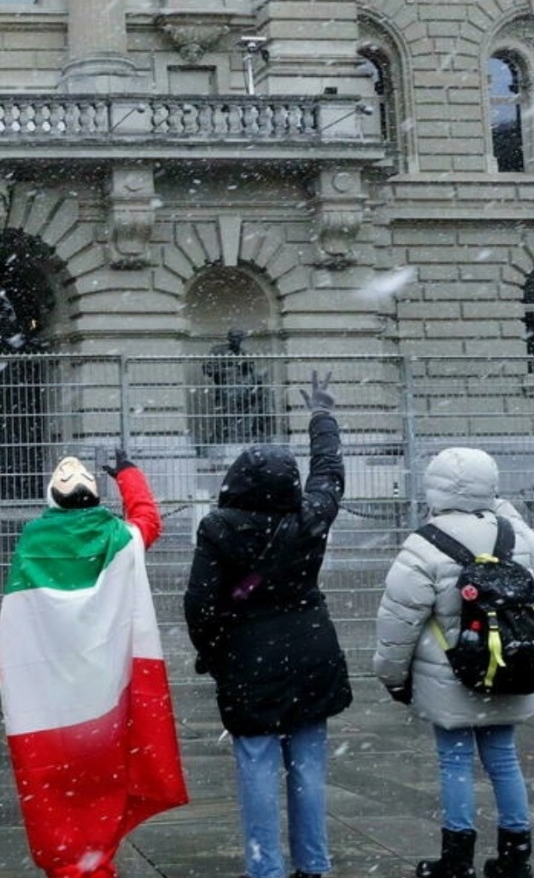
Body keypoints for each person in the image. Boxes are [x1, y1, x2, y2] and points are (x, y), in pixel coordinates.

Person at [184, 371, 348, 878]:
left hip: (248, 656)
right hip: (311, 646)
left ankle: (266, 868)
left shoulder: (217, 527)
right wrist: (321, 414)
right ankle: (314, 865)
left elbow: (199, 605)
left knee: (255, 765)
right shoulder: (310, 516)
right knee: (309, 767)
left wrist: (213, 654)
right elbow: (329, 471)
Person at [0, 450, 186, 878]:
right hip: (104, 685)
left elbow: (17, 618)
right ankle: (95, 856)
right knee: (102, 773)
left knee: (49, 778)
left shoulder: (33, 540)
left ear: (53, 499)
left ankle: (64, 858)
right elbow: (148, 521)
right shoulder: (118, 537)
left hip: (46, 691)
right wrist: (129, 474)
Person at [374, 448, 534, 878]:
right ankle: (515, 855)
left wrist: (393, 677)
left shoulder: (423, 543)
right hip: (505, 665)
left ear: (433, 487)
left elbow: (399, 622)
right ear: (490, 486)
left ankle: (456, 859)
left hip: (451, 675)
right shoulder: (512, 536)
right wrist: (497, 504)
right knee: (504, 759)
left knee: (454, 762)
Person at [202, 329, 272, 445]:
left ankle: (254, 430)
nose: (237, 341)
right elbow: (207, 369)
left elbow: (251, 373)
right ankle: (225, 432)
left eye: (239, 338)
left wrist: (249, 370)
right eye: (234, 338)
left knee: (261, 399)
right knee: (227, 403)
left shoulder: (244, 353)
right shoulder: (218, 350)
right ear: (229, 338)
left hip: (244, 388)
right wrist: (227, 370)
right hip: (225, 386)